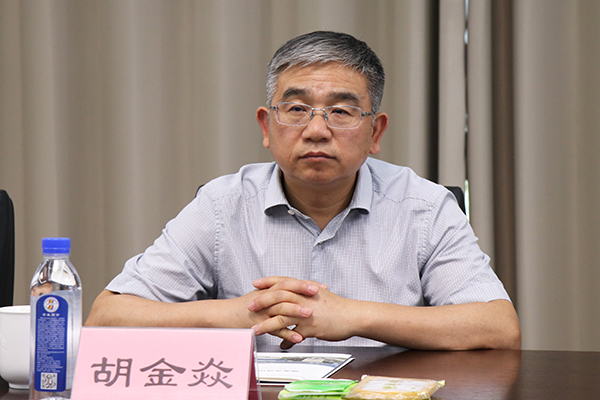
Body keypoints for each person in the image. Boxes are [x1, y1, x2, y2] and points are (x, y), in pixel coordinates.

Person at [86, 31, 521, 350]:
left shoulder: (424, 207)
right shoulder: (222, 205)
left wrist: (354, 315)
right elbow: (106, 318)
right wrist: (234, 313)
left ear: (375, 132)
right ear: (266, 126)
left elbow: (498, 328)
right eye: (296, 109)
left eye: (341, 111)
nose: (316, 130)